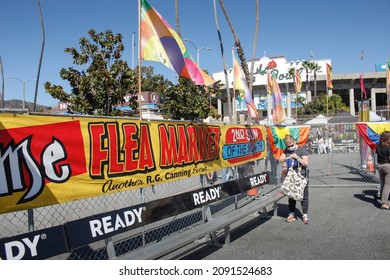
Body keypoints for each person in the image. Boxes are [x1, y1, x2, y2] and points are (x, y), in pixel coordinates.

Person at [278, 135, 310, 224]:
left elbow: (306, 163)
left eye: (291, 145)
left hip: (301, 176)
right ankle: (291, 213)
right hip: (291, 176)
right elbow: (280, 160)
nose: (289, 147)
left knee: (304, 196)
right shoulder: (287, 150)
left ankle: (305, 215)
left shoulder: (302, 150)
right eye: (287, 146)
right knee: (291, 195)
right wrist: (288, 157)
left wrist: (297, 158)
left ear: (294, 142)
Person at [376, 131, 390, 209]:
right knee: (387, 186)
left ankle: (382, 199)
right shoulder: (388, 147)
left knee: (383, 184)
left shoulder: (377, 146)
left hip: (379, 166)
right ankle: (384, 203)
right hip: (387, 166)